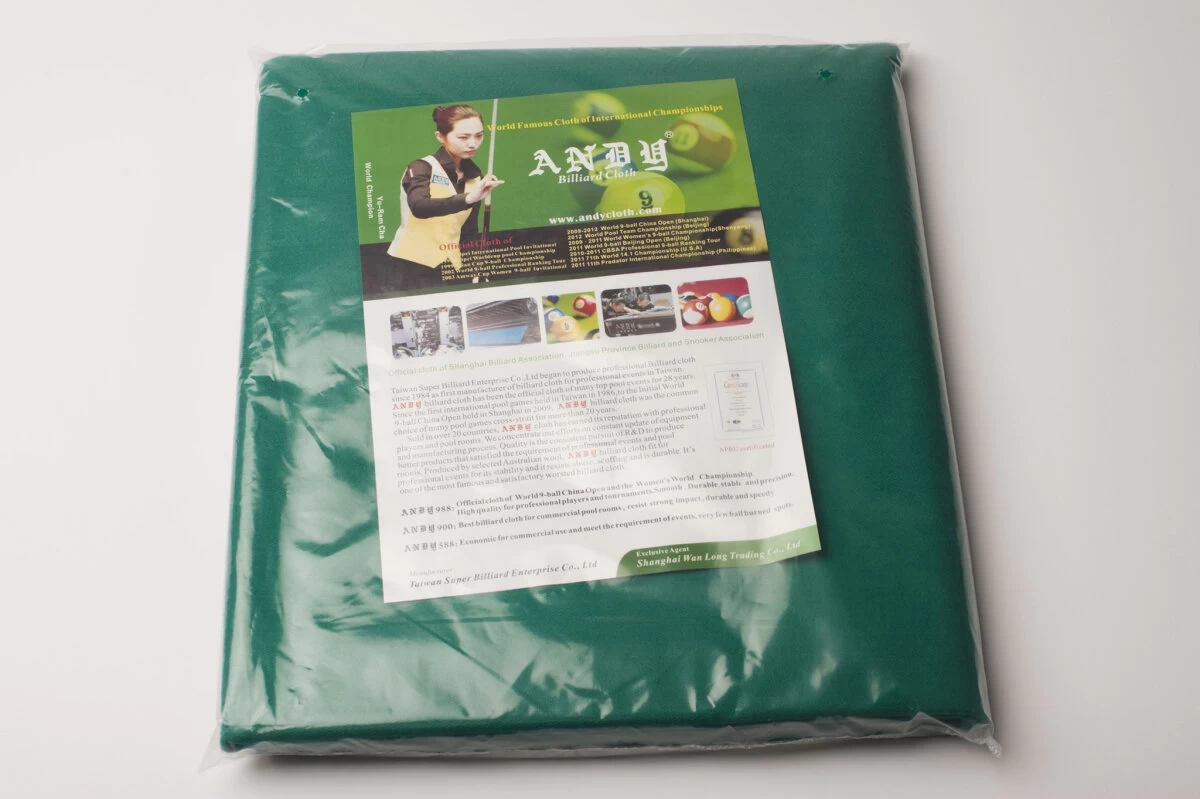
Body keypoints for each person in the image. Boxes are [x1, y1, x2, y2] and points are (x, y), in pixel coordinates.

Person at [385, 104, 504, 290]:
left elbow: (468, 231)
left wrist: (475, 269)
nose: (473, 143)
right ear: (441, 137)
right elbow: (419, 207)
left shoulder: (475, 177)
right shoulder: (420, 167)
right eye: (463, 137)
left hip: (451, 267)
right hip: (410, 267)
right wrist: (468, 199)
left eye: (479, 135)